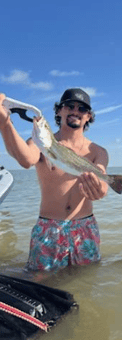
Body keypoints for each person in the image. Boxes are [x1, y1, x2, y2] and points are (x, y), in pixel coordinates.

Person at [0, 88, 109, 271]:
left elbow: (103, 182)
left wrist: (99, 190)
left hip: (86, 227)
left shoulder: (98, 151)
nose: (75, 111)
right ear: (59, 110)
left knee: (87, 282)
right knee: (41, 283)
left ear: (89, 116)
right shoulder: (41, 143)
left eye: (82, 109)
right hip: (48, 227)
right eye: (69, 106)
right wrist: (5, 123)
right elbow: (26, 159)